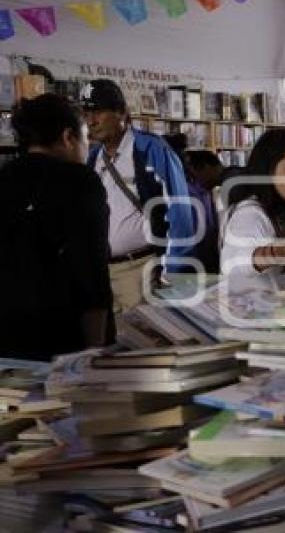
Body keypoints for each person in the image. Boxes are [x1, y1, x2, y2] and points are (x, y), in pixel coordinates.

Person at [0, 94, 111, 360]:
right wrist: (94, 351)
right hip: (60, 329)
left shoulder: (4, 177)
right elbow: (91, 269)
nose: (88, 147)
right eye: (85, 137)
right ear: (67, 137)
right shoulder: (80, 181)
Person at [82, 79, 195, 312]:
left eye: (99, 111)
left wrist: (169, 271)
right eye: (87, 112)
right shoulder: (93, 158)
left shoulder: (150, 149)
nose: (91, 120)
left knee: (146, 344)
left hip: (142, 270)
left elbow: (180, 211)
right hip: (104, 273)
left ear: (122, 111)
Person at [220, 128, 285, 290]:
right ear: (268, 170)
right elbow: (233, 262)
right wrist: (273, 253)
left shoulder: (277, 213)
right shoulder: (249, 215)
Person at [184, 150, 224, 273]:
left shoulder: (208, 192)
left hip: (210, 260)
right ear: (204, 168)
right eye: (217, 169)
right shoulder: (186, 196)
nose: (221, 174)